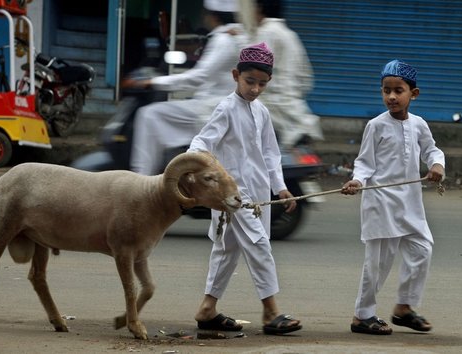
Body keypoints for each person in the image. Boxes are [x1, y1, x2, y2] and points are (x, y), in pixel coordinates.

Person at [188, 42, 302, 335]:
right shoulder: (226, 108)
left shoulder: (261, 111)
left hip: (259, 193)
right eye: (249, 81)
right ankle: (270, 312)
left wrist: (281, 187)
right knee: (260, 244)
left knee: (226, 251)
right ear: (235, 75)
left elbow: (270, 154)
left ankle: (207, 309)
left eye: (261, 83)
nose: (254, 88)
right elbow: (201, 144)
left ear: (269, 82)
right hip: (233, 196)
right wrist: (196, 170)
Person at [341, 59, 445, 335]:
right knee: (378, 263)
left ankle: (404, 307)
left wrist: (437, 166)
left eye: (398, 90)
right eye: (386, 90)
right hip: (381, 203)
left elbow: (432, 151)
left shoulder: (420, 125)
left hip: (410, 202)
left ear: (414, 94)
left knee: (422, 248)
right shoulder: (376, 126)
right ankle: (363, 315)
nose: (391, 96)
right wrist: (357, 180)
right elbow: (364, 162)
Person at [124, 0, 245, 175]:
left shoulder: (224, 40)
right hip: (222, 104)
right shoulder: (239, 36)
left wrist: (151, 82)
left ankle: (142, 182)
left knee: (149, 115)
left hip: (213, 108)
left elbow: (198, 77)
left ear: (213, 16)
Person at [240, 0, 323, 146]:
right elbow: (306, 78)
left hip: (273, 109)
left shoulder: (265, 33)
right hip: (296, 110)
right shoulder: (291, 35)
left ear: (258, 8)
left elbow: (254, 69)